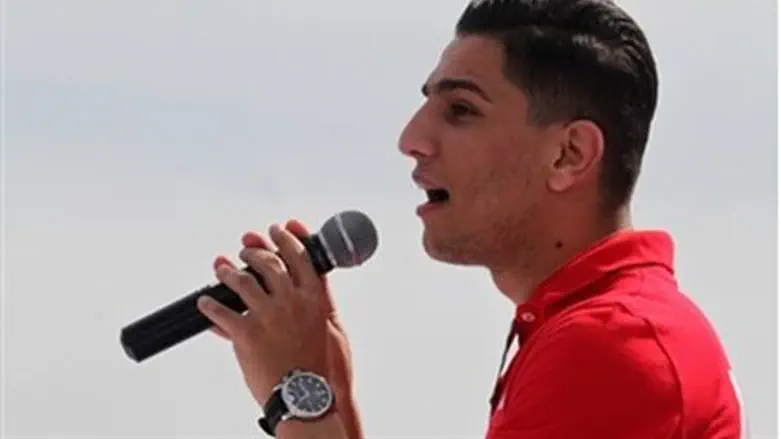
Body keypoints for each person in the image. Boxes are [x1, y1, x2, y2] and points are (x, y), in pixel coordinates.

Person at [196, 0, 747, 437]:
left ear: (569, 155)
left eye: (461, 111)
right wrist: (331, 392)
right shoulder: (601, 326)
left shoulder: (615, 345)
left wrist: (298, 394)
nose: (411, 140)